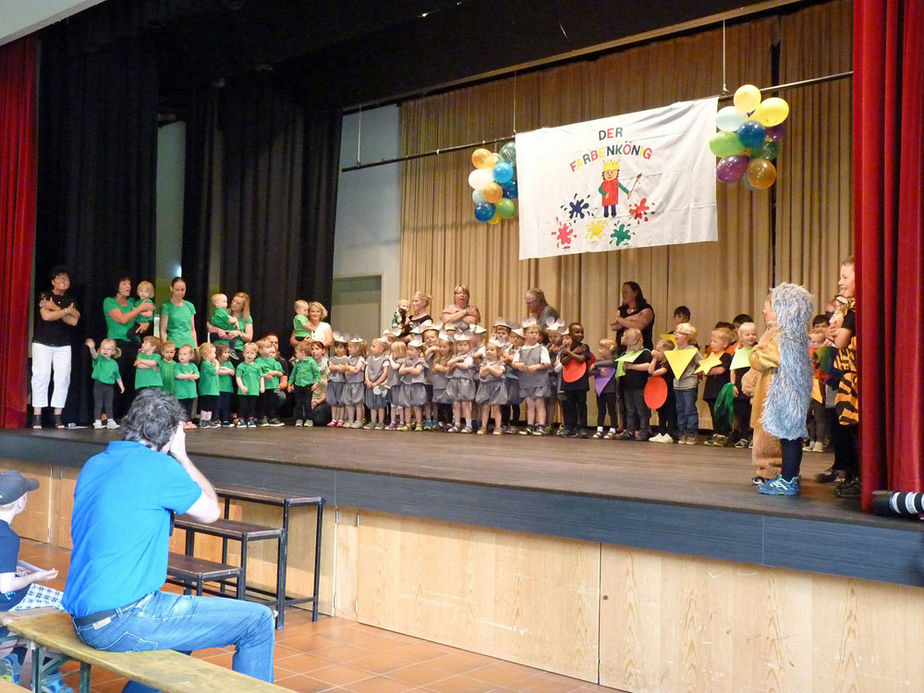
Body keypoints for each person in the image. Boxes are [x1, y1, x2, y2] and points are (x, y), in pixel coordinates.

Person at [62, 389, 275, 691]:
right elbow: (211, 510)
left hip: (84, 614)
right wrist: (182, 456)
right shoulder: (160, 467)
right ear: (173, 432)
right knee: (257, 621)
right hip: (123, 618)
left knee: (184, 635)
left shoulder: (96, 463)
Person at [0, 470, 70, 688]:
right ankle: (49, 680)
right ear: (21, 502)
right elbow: (5, 586)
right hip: (8, 600)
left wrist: (21, 568)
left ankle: (13, 662)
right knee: (67, 608)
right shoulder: (8, 537)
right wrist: (37, 577)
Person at [753, 284, 814, 496]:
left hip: (788, 394)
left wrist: (757, 348)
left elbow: (761, 359)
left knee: (790, 438)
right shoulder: (796, 335)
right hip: (793, 391)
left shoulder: (784, 338)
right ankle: (789, 477)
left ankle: (789, 480)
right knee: (790, 437)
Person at [31, 267, 80, 429]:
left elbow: (74, 321)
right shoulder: (45, 295)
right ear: (53, 281)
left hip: (63, 344)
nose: (63, 282)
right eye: (60, 279)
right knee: (41, 375)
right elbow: (46, 316)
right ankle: (37, 414)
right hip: (42, 342)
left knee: (63, 377)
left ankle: (57, 415)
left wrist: (57, 309)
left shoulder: (71, 299)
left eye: (66, 279)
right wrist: (66, 311)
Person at [830, 257, 860, 498]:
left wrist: (833, 335)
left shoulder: (854, 309)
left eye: (845, 277)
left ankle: (859, 477)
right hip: (852, 376)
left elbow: (840, 342)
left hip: (853, 380)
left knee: (855, 429)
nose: (840, 282)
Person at [103, 275, 151, 416]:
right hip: (117, 345)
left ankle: (130, 414)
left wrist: (146, 322)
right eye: (124, 283)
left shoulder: (132, 302)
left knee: (132, 379)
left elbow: (148, 311)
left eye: (129, 283)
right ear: (116, 285)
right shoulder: (109, 302)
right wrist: (139, 308)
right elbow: (122, 319)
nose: (128, 286)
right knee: (117, 379)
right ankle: (110, 414)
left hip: (134, 343)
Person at [512, 320, 552, 435]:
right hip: (526, 380)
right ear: (525, 335)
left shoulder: (541, 348)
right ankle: (529, 425)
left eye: (536, 332)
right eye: (531, 332)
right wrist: (518, 364)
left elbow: (547, 363)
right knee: (530, 404)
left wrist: (536, 366)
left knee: (539, 403)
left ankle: (541, 425)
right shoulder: (520, 349)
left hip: (539, 380)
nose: (534, 335)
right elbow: (514, 362)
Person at [702, 327, 734, 447]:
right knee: (713, 412)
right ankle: (716, 431)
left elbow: (721, 369)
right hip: (711, 389)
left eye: (715, 341)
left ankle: (723, 433)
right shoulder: (711, 356)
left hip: (720, 390)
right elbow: (704, 370)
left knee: (722, 412)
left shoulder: (725, 356)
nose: (712, 343)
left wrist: (709, 370)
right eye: (712, 341)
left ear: (725, 344)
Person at [619, 328, 653, 441]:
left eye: (633, 345)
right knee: (629, 410)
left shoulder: (645, 352)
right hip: (627, 386)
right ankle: (630, 430)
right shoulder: (626, 353)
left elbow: (648, 366)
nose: (631, 348)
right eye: (629, 345)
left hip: (640, 387)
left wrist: (631, 366)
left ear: (641, 341)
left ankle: (644, 431)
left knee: (642, 410)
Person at [559, 322, 591, 438]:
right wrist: (572, 352)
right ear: (570, 334)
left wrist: (570, 353)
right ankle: (569, 427)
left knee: (581, 405)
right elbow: (563, 362)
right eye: (577, 332)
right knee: (568, 405)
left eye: (582, 332)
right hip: (568, 381)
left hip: (581, 381)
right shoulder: (566, 348)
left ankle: (582, 427)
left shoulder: (584, 347)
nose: (580, 334)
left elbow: (582, 359)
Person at [671, 323, 702, 444]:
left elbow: (701, 363)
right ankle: (681, 433)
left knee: (689, 409)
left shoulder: (692, 350)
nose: (676, 334)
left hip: (689, 384)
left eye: (679, 332)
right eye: (676, 332)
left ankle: (691, 433)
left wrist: (697, 373)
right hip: (677, 384)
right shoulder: (674, 350)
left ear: (687, 336)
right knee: (680, 409)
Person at [85, 338, 124, 430]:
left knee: (108, 404)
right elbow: (94, 355)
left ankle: (110, 421)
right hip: (99, 385)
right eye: (103, 348)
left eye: (108, 349)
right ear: (100, 349)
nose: (105, 351)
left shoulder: (114, 363)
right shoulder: (99, 359)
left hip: (109, 387)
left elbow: (117, 376)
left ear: (114, 351)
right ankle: (97, 421)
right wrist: (92, 348)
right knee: (98, 404)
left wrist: (121, 386)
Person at [610, 282, 655, 349]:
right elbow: (614, 326)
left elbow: (639, 326)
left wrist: (620, 319)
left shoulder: (646, 308)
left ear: (635, 293)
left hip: (640, 349)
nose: (623, 295)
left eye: (626, 292)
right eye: (622, 292)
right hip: (622, 349)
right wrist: (633, 318)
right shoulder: (621, 309)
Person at [446, 333, 476, 433]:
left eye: (465, 345)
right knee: (456, 404)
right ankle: (457, 423)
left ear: (469, 346)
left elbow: (466, 366)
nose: (462, 347)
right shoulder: (456, 356)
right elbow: (448, 364)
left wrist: (456, 364)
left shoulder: (469, 356)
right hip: (455, 381)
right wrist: (457, 360)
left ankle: (468, 425)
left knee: (465, 404)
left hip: (464, 381)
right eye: (460, 345)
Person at [476, 341, 507, 435]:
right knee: (485, 407)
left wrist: (489, 368)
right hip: (486, 386)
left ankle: (498, 427)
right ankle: (483, 426)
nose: (489, 351)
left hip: (496, 387)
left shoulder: (500, 363)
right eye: (487, 350)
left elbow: (499, 373)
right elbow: (481, 373)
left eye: (492, 350)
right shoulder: (484, 362)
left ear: (497, 352)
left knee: (497, 407)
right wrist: (492, 369)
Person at [589, 339, 619, 439]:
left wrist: (596, 365)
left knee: (611, 410)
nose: (599, 350)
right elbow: (589, 372)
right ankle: (599, 429)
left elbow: (612, 363)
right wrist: (599, 372)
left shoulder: (615, 360)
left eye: (602, 348)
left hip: (610, 390)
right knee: (601, 410)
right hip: (599, 390)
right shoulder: (599, 361)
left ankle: (613, 429)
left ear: (609, 350)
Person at [159, 277, 197, 349]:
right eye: (177, 290)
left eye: (182, 290)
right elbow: (162, 330)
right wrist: (165, 347)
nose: (180, 293)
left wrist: (196, 346)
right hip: (174, 345)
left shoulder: (190, 306)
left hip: (190, 346)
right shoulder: (166, 306)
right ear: (171, 288)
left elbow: (192, 329)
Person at [290, 341, 321, 427]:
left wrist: (316, 383)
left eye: (296, 353)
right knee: (298, 403)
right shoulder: (297, 363)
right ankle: (299, 419)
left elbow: (317, 373)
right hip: (298, 385)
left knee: (307, 403)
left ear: (302, 353)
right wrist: (290, 384)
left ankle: (309, 419)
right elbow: (293, 374)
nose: (295, 354)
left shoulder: (311, 362)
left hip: (308, 386)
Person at [398, 339, 428, 431]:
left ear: (419, 351)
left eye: (412, 350)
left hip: (416, 385)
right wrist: (409, 369)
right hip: (406, 385)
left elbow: (417, 371)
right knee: (407, 405)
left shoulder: (421, 361)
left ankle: (419, 423)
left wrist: (408, 369)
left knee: (417, 405)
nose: (409, 352)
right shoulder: (406, 360)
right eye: (408, 349)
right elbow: (400, 371)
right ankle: (408, 423)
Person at [235, 342, 263, 427]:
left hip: (254, 390)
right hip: (243, 391)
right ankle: (241, 419)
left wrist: (262, 386)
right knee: (243, 405)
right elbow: (238, 377)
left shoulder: (257, 366)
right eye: (247, 353)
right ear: (243, 354)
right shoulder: (241, 366)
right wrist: (242, 386)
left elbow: (261, 377)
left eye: (252, 353)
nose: (249, 355)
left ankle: (251, 419)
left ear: (255, 355)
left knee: (252, 406)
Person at [343, 337, 368, 429]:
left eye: (351, 347)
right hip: (349, 383)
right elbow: (345, 369)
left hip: (357, 384)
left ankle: (358, 420)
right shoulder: (348, 358)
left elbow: (356, 369)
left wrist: (349, 369)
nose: (348, 349)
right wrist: (349, 369)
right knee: (349, 403)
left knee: (358, 403)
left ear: (357, 349)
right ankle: (350, 420)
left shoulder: (361, 359)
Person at [173, 344, 199, 429]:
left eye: (184, 354)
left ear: (191, 356)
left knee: (189, 407)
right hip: (181, 392)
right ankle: (181, 421)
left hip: (190, 392)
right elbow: (177, 375)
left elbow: (197, 375)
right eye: (180, 354)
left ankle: (187, 420)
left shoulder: (193, 366)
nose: (181, 356)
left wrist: (192, 376)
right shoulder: (177, 365)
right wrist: (188, 376)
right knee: (181, 407)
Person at [196, 343, 220, 428]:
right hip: (207, 390)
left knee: (210, 407)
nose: (215, 355)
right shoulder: (205, 364)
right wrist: (217, 363)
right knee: (206, 406)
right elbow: (215, 371)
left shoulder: (209, 364)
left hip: (212, 389)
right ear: (207, 354)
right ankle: (203, 420)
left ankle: (208, 420)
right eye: (213, 353)